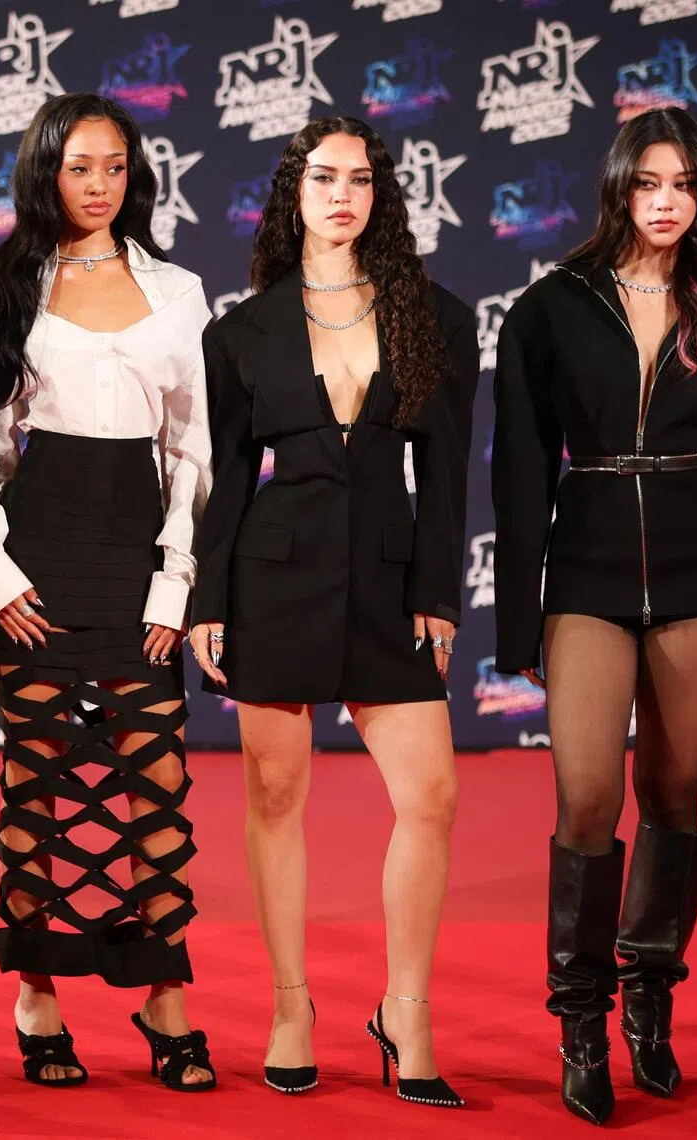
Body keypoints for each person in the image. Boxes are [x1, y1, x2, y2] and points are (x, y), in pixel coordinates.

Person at [189, 116, 478, 1106]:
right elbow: (224, 481)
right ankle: (291, 1006)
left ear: (381, 194)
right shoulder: (243, 330)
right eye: (324, 177)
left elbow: (445, 480)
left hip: (390, 586)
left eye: (360, 178)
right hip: (274, 578)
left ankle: (407, 1009)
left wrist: (438, 596)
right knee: (276, 798)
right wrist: (206, 600)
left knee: (430, 797)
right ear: (293, 191)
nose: (342, 194)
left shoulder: (436, 315)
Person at [492, 107, 697, 1126]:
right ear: (618, 187)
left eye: (684, 183)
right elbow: (518, 474)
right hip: (590, 572)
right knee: (590, 799)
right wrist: (519, 623)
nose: (666, 201)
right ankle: (582, 1020)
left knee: (675, 793)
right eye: (649, 182)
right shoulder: (551, 307)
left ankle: (651, 997)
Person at [0, 93, 215, 1092]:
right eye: (77, 167)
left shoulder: (181, 290)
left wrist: (173, 580)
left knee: (156, 786)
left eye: (113, 166)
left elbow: (194, 450)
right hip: (38, 559)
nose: (98, 184)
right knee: (37, 783)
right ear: (44, 175)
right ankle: (38, 997)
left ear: (133, 175)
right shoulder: (12, 284)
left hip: (136, 557)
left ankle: (166, 999)